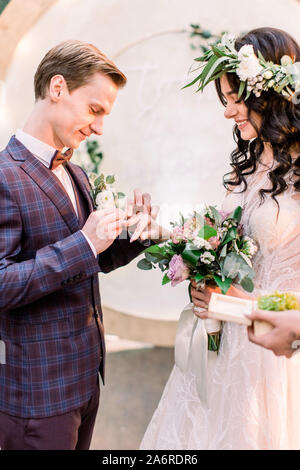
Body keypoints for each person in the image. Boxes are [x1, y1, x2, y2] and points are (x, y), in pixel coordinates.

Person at [140, 27, 300, 450]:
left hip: (271, 355)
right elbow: (229, 242)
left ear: (269, 94)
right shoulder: (248, 165)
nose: (229, 113)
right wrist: (192, 258)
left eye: (235, 99)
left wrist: (244, 303)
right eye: (224, 101)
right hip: (220, 345)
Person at [0, 39, 160, 450]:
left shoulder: (77, 173)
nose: (99, 127)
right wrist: (84, 243)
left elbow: (91, 261)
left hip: (86, 382)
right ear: (57, 88)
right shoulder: (4, 176)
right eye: (95, 110)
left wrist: (136, 235)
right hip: (38, 394)